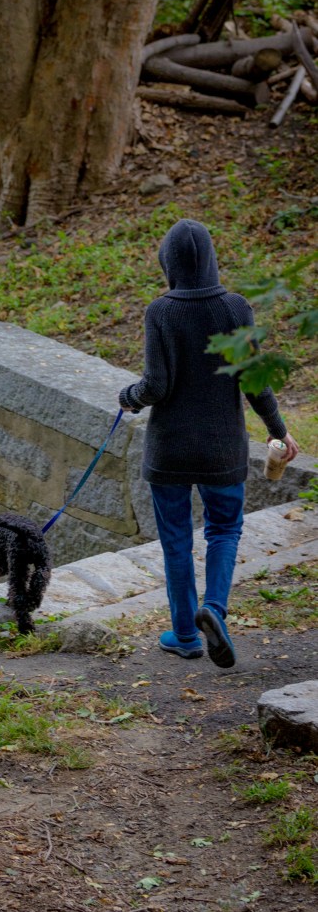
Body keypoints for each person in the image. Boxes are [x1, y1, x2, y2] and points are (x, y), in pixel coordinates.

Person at [119, 218, 299, 669]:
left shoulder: (160, 311)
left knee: (176, 541)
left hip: (170, 450)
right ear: (213, 261)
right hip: (223, 450)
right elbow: (255, 382)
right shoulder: (236, 308)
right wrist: (278, 429)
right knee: (225, 529)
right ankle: (214, 610)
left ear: (168, 263)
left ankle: (184, 635)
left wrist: (129, 398)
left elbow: (156, 385)